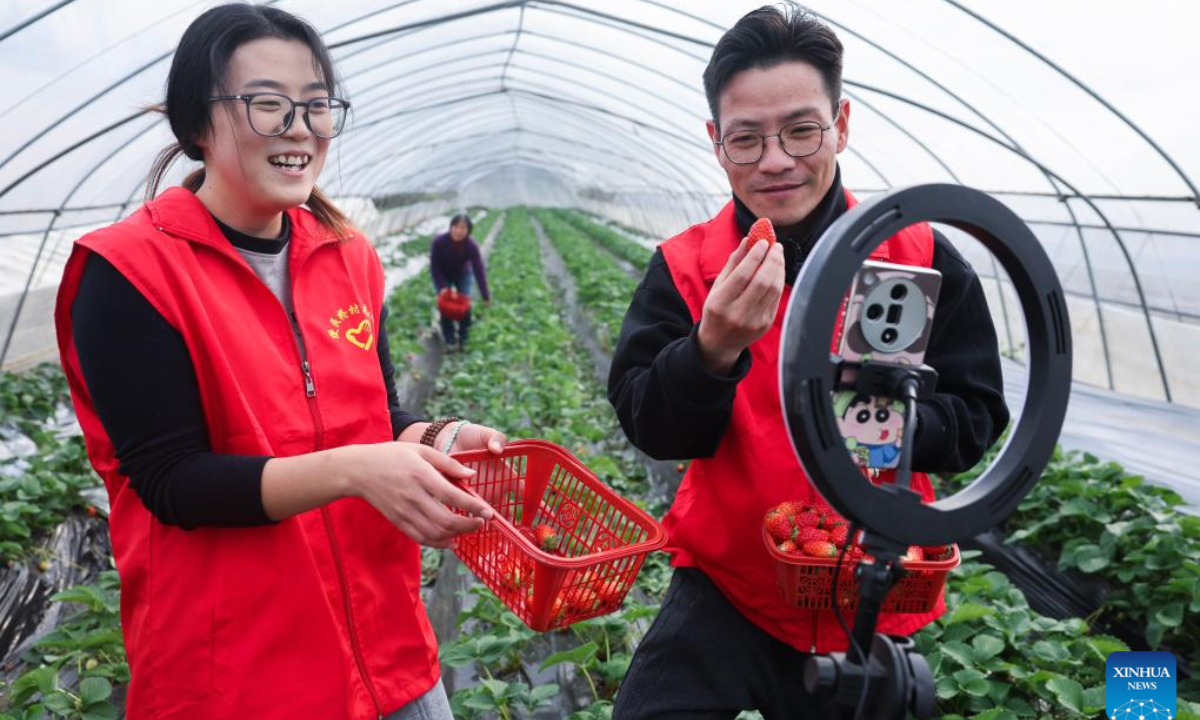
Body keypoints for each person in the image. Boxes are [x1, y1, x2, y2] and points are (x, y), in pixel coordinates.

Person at [53, 4, 504, 718]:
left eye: (317, 105)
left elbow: (377, 414)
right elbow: (173, 481)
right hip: (242, 677)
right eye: (268, 104)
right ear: (195, 123)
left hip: (389, 650)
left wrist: (435, 437)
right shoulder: (129, 272)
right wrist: (357, 470)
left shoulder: (349, 255)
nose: (300, 126)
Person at [607, 7, 1010, 719]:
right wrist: (711, 348)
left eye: (801, 130)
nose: (775, 160)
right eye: (746, 139)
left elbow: (978, 416)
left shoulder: (918, 257)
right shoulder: (686, 267)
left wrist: (880, 409)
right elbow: (652, 426)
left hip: (869, 586)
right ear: (715, 143)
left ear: (841, 124)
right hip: (727, 582)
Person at [430, 213, 491, 352]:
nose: (459, 231)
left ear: (468, 231)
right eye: (456, 227)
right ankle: (450, 339)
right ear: (451, 227)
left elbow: (479, 270)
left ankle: (464, 338)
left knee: (464, 304)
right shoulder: (439, 242)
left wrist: (485, 295)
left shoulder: (471, 246)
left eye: (463, 228)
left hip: (463, 274)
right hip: (443, 275)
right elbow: (434, 267)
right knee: (445, 305)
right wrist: (442, 287)